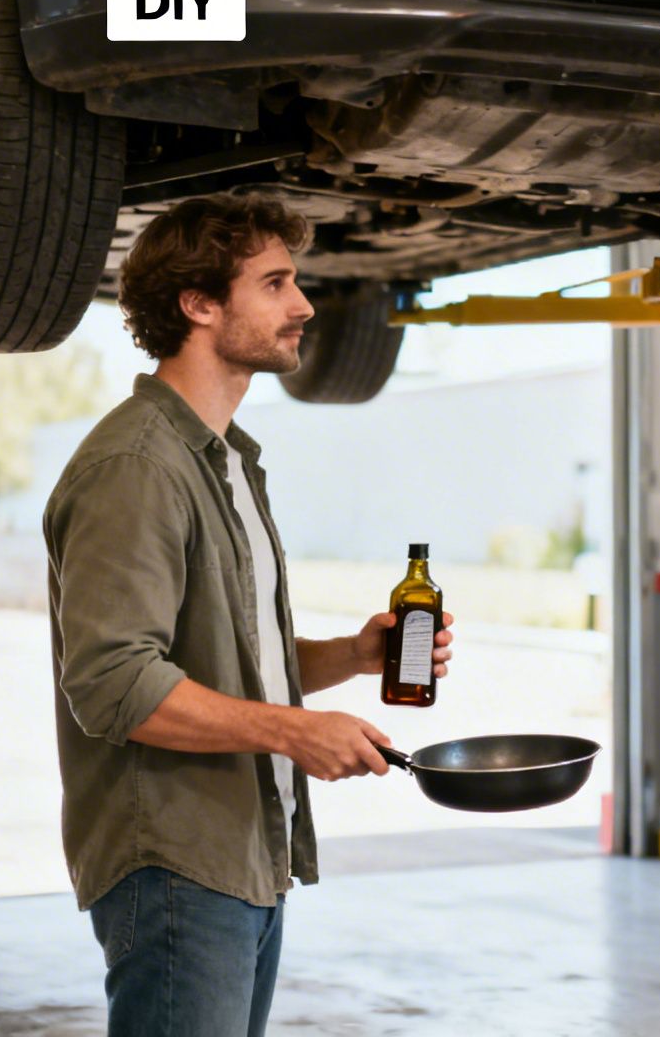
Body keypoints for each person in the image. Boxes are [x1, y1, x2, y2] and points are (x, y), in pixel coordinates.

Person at [44, 193, 453, 1037]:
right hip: (175, 864)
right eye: (274, 284)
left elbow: (231, 657)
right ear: (199, 304)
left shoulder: (224, 460)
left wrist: (353, 654)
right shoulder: (138, 466)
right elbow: (114, 683)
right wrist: (294, 732)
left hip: (240, 858)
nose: (304, 306)